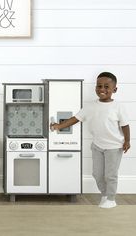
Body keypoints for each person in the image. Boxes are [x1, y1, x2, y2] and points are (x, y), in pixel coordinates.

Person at [50, 72, 130, 209]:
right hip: (97, 146)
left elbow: (125, 125)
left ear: (114, 89)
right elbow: (75, 119)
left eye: (106, 86)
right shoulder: (90, 106)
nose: (102, 89)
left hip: (114, 146)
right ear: (95, 88)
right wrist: (59, 126)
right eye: (99, 86)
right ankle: (104, 195)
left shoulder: (118, 107)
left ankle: (111, 199)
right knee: (97, 173)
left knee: (110, 175)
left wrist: (127, 141)